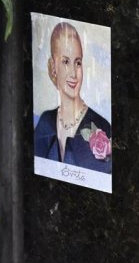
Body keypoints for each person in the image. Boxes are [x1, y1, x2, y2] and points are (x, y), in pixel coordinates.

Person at [33, 22, 112, 173]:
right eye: (65, 62)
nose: (74, 74)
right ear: (53, 67)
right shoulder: (45, 121)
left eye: (78, 62)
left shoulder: (102, 127)